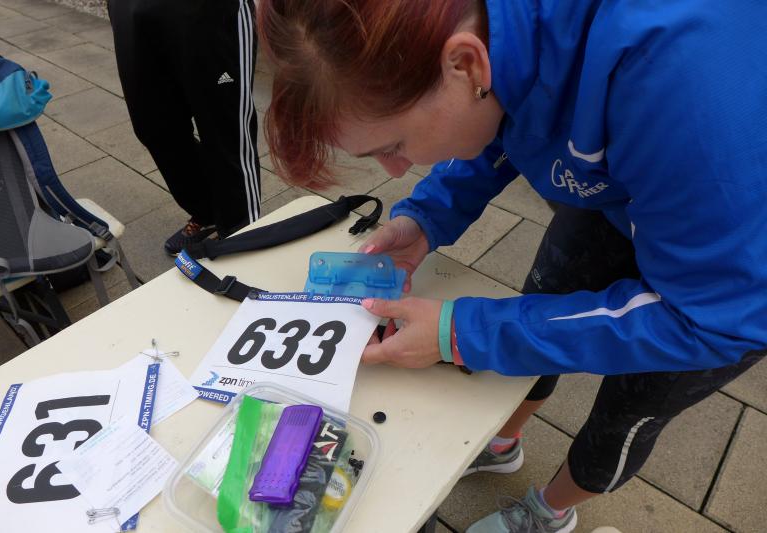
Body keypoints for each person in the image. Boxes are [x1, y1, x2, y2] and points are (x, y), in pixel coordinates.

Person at [258, 1, 767, 532]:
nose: (396, 169)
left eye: (394, 145)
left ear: (465, 64)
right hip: (623, 192)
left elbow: (708, 321)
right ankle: (501, 443)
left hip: (738, 270)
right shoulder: (498, 38)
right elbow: (504, 112)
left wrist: (463, 331)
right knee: (543, 308)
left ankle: (550, 511)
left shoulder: (684, 87)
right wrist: (428, 218)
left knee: (630, 407)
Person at [108, 0, 261, 255]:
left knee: (226, 132)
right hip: (130, 7)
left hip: (206, 10)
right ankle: (207, 212)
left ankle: (241, 236)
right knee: (154, 126)